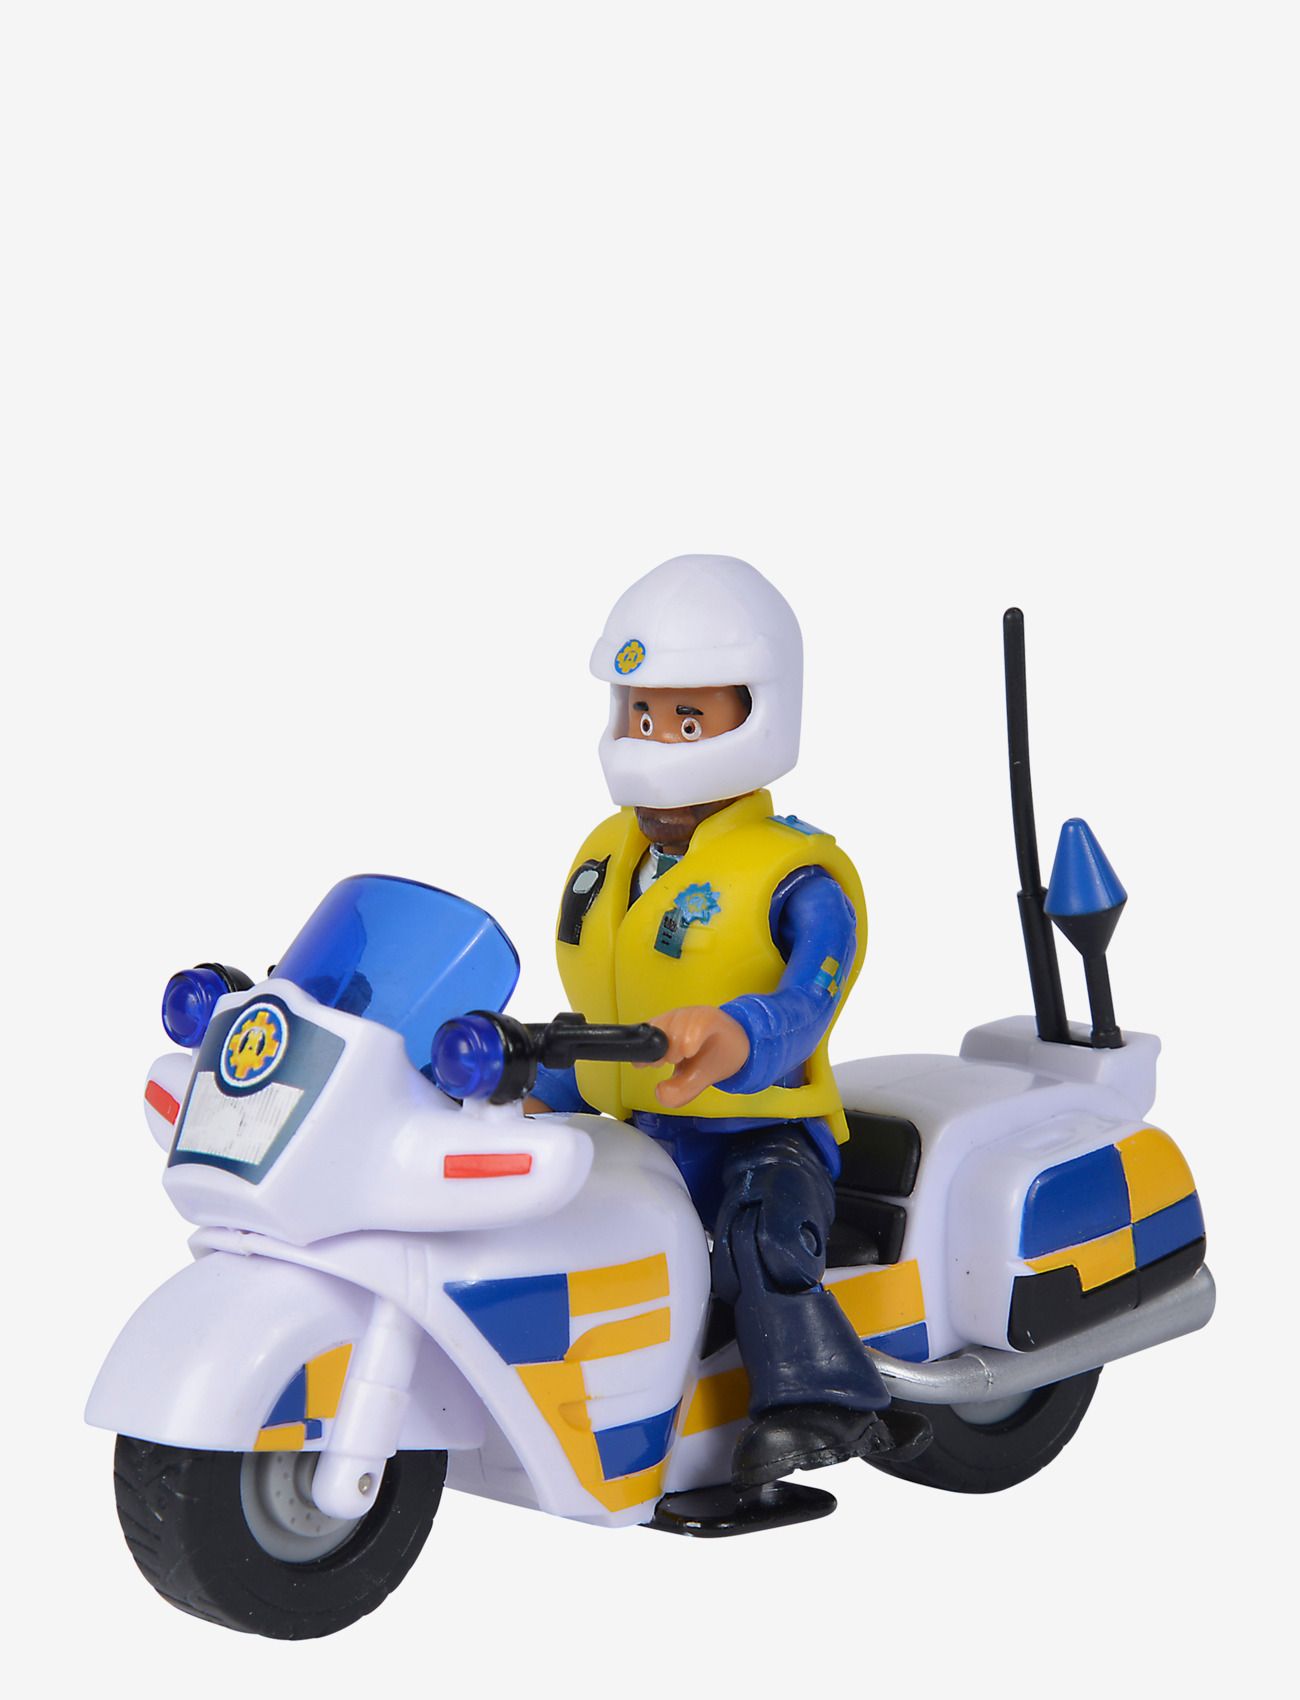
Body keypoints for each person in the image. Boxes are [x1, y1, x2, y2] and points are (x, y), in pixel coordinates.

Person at [527, 554, 927, 1485]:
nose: (657, 738)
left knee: (760, 1231)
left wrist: (740, 1035)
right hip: (639, 1126)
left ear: (758, 711)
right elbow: (599, 1014)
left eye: (686, 719)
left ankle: (819, 1401)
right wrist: (526, 1080)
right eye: (642, 714)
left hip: (761, 1131)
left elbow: (808, 1002)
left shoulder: (799, 875)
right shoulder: (610, 856)